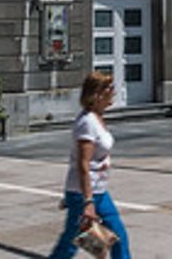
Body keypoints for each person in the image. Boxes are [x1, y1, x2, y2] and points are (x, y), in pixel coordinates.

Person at [48, 72, 132, 259]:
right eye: (109, 89)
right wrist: (87, 202)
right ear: (97, 94)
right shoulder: (87, 123)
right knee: (69, 245)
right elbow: (82, 164)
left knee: (115, 237)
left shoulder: (96, 119)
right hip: (84, 194)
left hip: (98, 191)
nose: (113, 92)